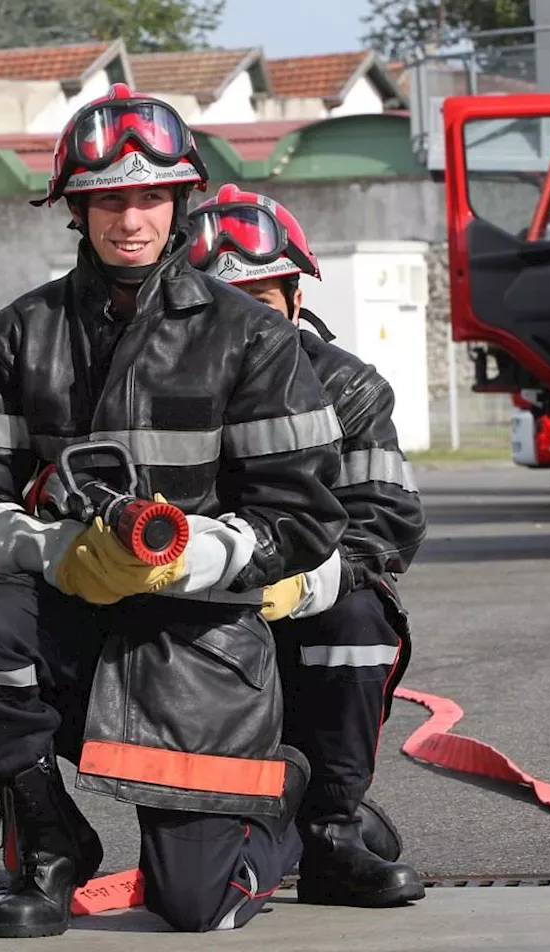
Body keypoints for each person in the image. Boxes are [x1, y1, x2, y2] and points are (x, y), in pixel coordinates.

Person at [0, 84, 349, 937]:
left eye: (150, 195)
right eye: (109, 198)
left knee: (198, 909)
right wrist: (54, 551)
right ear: (76, 208)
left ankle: (280, 791)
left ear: (181, 198)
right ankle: (51, 841)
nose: (130, 218)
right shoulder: (21, 332)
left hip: (198, 632)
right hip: (72, 611)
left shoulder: (252, 336)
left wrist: (185, 556)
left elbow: (302, 514)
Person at [186, 184, 427, 907]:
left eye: (264, 302)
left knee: (360, 623)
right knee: (194, 883)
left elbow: (382, 521)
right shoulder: (150, 388)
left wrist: (304, 583)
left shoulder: (350, 388)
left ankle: (330, 833)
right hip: (183, 614)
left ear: (295, 299)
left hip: (303, 610)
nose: (250, 326)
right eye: (228, 307)